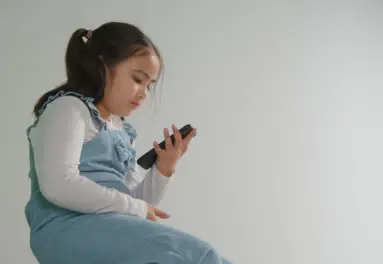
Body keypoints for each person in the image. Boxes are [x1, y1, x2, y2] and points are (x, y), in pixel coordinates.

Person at [24, 21, 231, 264]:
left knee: (191, 256)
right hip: (65, 228)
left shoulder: (121, 130)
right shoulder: (69, 109)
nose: (144, 93)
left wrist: (164, 169)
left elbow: (135, 204)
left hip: (106, 225)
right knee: (191, 255)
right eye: (137, 79)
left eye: (149, 85)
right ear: (102, 66)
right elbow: (58, 185)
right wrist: (136, 208)